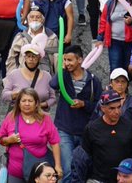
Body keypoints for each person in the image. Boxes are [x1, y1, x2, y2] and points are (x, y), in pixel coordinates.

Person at [50, 46, 103, 182]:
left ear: (80, 60)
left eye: (70, 60)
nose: (67, 63)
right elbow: (53, 84)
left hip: (84, 131)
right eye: (65, 60)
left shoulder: (93, 81)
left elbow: (99, 106)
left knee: (81, 168)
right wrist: (61, 69)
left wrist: (84, 104)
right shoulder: (64, 76)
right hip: (64, 129)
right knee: (67, 169)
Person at [0, 88, 62, 183]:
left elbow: (55, 142)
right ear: (18, 103)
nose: (27, 104)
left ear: (36, 103)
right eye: (23, 101)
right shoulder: (11, 116)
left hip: (39, 174)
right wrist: (8, 140)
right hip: (15, 172)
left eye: (30, 101)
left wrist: (58, 165)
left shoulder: (45, 119)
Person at [79, 90, 132, 183]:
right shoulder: (92, 128)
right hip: (98, 179)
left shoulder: (130, 126)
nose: (117, 112)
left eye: (119, 107)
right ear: (103, 108)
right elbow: (84, 157)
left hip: (123, 179)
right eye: (112, 108)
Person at [97, 0, 132, 73]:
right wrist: (99, 39)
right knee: (115, 68)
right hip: (114, 40)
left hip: (129, 41)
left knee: (127, 68)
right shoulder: (110, 3)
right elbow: (103, 21)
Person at [7, 7, 60, 74]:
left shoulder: (52, 37)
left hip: (45, 75)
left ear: (43, 20)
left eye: (38, 17)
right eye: (32, 17)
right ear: (28, 19)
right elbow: (12, 58)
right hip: (23, 75)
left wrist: (56, 79)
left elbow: (57, 59)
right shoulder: (20, 37)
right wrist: (11, 76)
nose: (34, 19)